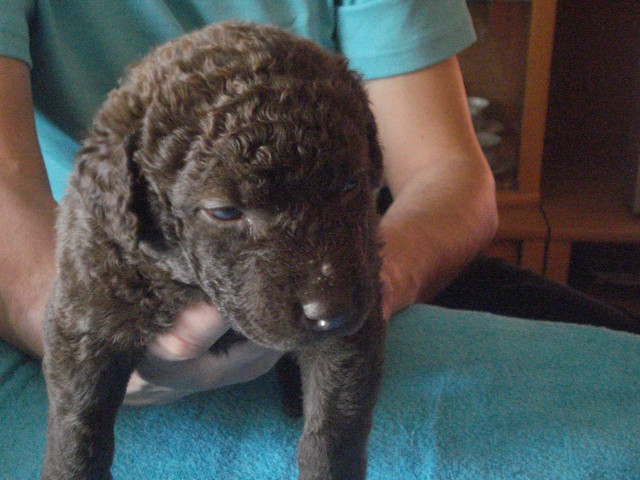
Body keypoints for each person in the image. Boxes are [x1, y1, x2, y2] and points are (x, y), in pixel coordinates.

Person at [0, 0, 494, 405]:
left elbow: (447, 171)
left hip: (339, 251)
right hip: (116, 272)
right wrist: (82, 333)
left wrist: (370, 286)